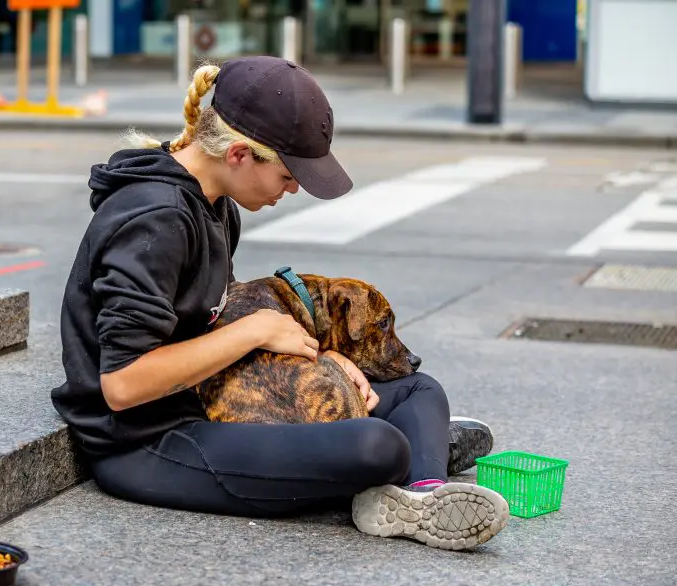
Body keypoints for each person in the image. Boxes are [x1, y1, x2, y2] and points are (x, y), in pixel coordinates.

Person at [50, 56, 510, 551]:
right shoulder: (156, 220)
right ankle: (414, 460)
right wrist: (255, 331)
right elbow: (121, 385)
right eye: (289, 177)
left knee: (418, 389)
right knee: (379, 445)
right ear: (240, 155)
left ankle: (423, 495)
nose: (291, 191)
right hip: (149, 442)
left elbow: (206, 323)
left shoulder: (216, 204)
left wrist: (324, 359)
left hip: (208, 401)